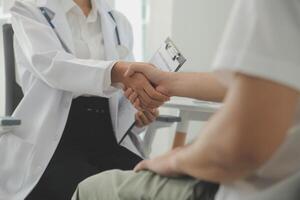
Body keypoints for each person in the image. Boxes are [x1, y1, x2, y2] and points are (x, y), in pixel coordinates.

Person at [72, 0, 300, 199]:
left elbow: (242, 145)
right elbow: (266, 82)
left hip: (260, 188)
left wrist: (174, 160)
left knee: (90, 189)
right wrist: (168, 81)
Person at [0, 0, 169, 199]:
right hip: (55, 142)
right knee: (98, 190)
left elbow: (122, 94)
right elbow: (53, 66)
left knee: (150, 187)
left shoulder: (118, 22)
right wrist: (116, 71)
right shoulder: (28, 10)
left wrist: (138, 111)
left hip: (108, 139)